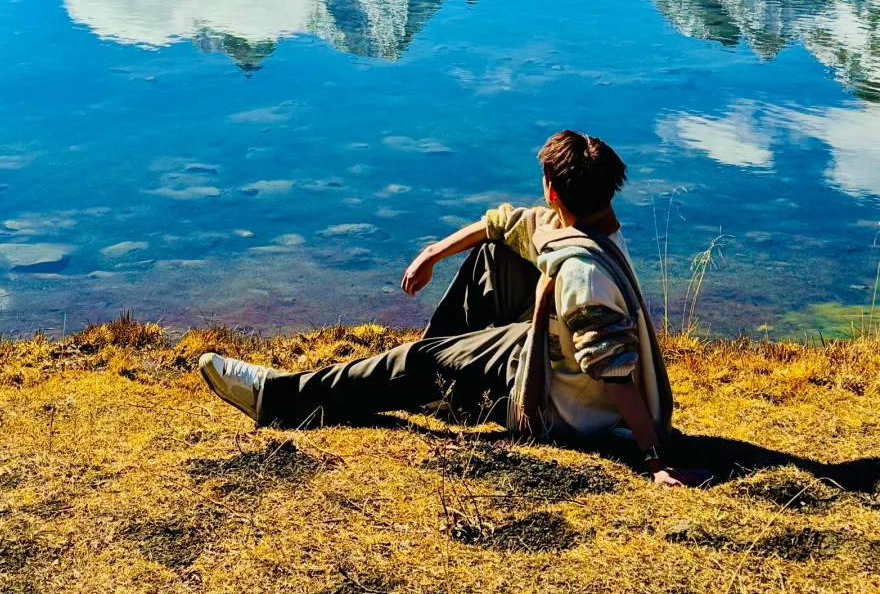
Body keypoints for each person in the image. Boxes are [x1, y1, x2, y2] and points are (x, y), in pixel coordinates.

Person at [199, 130, 709, 488]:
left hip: (557, 407)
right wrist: (432, 254)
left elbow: (615, 372)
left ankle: (277, 399)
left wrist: (655, 459)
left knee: (415, 364)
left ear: (553, 191)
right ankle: (440, 377)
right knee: (495, 253)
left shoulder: (583, 273)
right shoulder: (591, 229)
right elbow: (500, 226)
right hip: (555, 366)